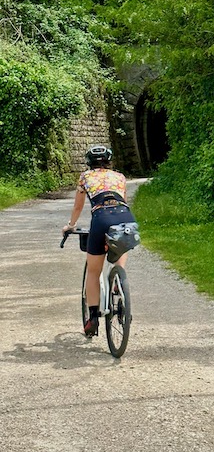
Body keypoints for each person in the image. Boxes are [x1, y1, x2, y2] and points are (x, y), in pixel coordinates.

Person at [62, 144, 136, 338]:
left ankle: (93, 318)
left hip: (101, 218)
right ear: (109, 161)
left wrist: (70, 225)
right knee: (121, 242)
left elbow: (78, 207)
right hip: (125, 217)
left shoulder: (85, 177)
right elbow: (124, 200)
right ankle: (118, 282)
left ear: (89, 163)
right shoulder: (120, 177)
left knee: (93, 271)